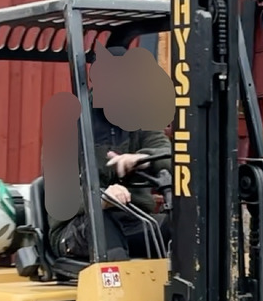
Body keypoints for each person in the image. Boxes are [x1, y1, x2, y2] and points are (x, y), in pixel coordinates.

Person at [48, 99, 173, 263]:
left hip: (134, 219)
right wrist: (100, 198)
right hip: (78, 226)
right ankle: (117, 287)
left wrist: (144, 158)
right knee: (102, 226)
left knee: (183, 224)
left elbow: (171, 156)